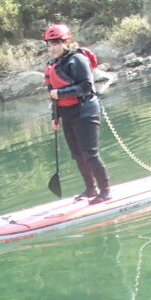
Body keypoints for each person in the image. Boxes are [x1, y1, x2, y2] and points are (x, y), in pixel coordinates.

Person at [43, 23, 111, 203]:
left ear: (66, 42)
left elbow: (86, 86)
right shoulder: (52, 65)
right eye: (49, 45)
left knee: (90, 154)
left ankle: (105, 191)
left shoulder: (77, 59)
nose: (52, 48)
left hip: (86, 110)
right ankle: (90, 189)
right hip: (67, 113)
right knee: (78, 155)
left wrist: (61, 93)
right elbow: (53, 94)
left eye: (55, 43)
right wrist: (54, 117)